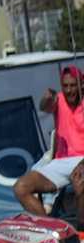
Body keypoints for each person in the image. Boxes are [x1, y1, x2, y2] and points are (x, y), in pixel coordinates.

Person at [13, 65, 84, 226]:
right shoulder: (58, 100)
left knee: (80, 181)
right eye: (65, 86)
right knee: (21, 187)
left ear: (81, 85)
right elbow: (44, 106)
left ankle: (82, 232)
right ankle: (54, 230)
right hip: (61, 161)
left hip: (82, 160)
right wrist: (46, 98)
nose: (69, 90)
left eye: (73, 85)